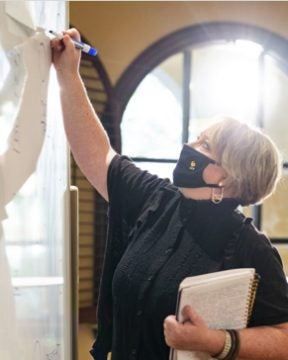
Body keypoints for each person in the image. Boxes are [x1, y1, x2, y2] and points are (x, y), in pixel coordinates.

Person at [51, 29, 288, 360]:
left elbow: (284, 337)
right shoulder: (155, 197)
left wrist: (216, 341)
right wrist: (67, 74)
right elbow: (96, 153)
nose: (189, 147)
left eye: (205, 145)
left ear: (227, 178)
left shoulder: (252, 249)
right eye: (197, 137)